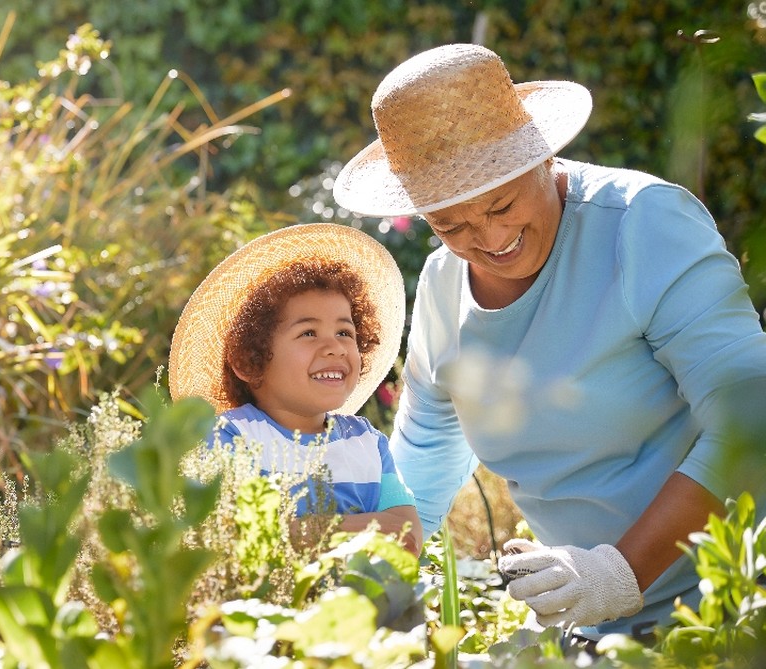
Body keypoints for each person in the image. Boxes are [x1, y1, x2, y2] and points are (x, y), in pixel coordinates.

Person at [331, 42, 766, 642]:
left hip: (737, 603)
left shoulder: (642, 225)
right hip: (595, 628)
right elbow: (427, 450)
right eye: (450, 225)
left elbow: (751, 417)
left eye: (502, 204)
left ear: (542, 154)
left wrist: (618, 573)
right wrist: (371, 580)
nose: (490, 238)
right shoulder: (441, 286)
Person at [168, 224, 423, 556]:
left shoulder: (368, 443)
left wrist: (306, 530)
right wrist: (368, 527)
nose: (335, 348)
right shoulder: (230, 437)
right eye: (308, 334)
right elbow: (241, 538)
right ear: (250, 361)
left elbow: (407, 534)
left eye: (345, 333)